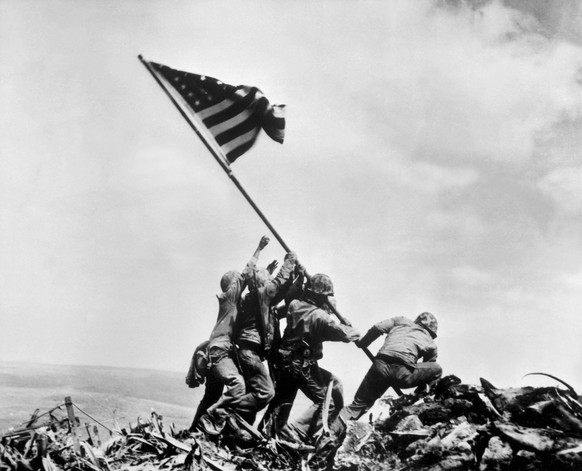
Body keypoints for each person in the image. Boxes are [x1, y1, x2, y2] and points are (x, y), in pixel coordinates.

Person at [261, 273, 360, 446]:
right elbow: (347, 335)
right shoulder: (321, 317)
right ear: (322, 296)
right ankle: (298, 433)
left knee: (284, 401)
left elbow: (285, 310)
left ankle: (267, 434)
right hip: (301, 365)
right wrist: (349, 326)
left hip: (285, 361)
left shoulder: (294, 305)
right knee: (328, 401)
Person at [197, 236, 270, 435]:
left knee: (211, 395)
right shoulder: (230, 298)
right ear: (232, 285)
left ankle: (195, 430)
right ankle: (215, 420)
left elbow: (251, 284)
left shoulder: (234, 304)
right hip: (221, 351)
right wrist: (259, 248)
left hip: (221, 350)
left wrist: (267, 273)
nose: (242, 284)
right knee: (239, 385)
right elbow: (246, 274)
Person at [233, 251, 298, 425]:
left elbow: (282, 298)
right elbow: (277, 284)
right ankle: (226, 409)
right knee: (265, 392)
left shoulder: (260, 303)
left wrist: (295, 279)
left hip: (250, 354)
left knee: (252, 393)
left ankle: (238, 433)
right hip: (250, 354)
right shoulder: (259, 295)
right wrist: (289, 262)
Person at [341, 312, 442, 421]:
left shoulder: (401, 320)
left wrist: (362, 343)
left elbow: (377, 328)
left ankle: (330, 426)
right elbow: (427, 372)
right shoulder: (431, 343)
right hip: (402, 373)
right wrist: (417, 395)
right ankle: (417, 399)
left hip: (379, 366)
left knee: (357, 406)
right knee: (437, 369)